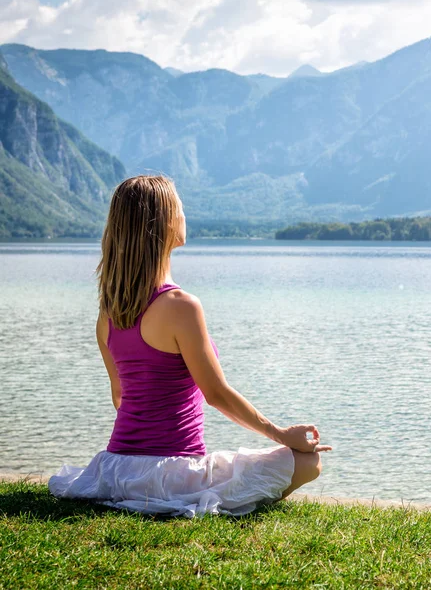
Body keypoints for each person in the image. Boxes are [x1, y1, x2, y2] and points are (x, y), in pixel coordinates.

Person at [49, 175, 332, 517]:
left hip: (115, 470)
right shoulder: (181, 306)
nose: (185, 214)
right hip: (172, 473)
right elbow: (216, 394)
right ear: (164, 222)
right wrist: (282, 435)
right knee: (308, 462)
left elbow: (120, 397)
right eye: (179, 207)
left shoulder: (108, 312)